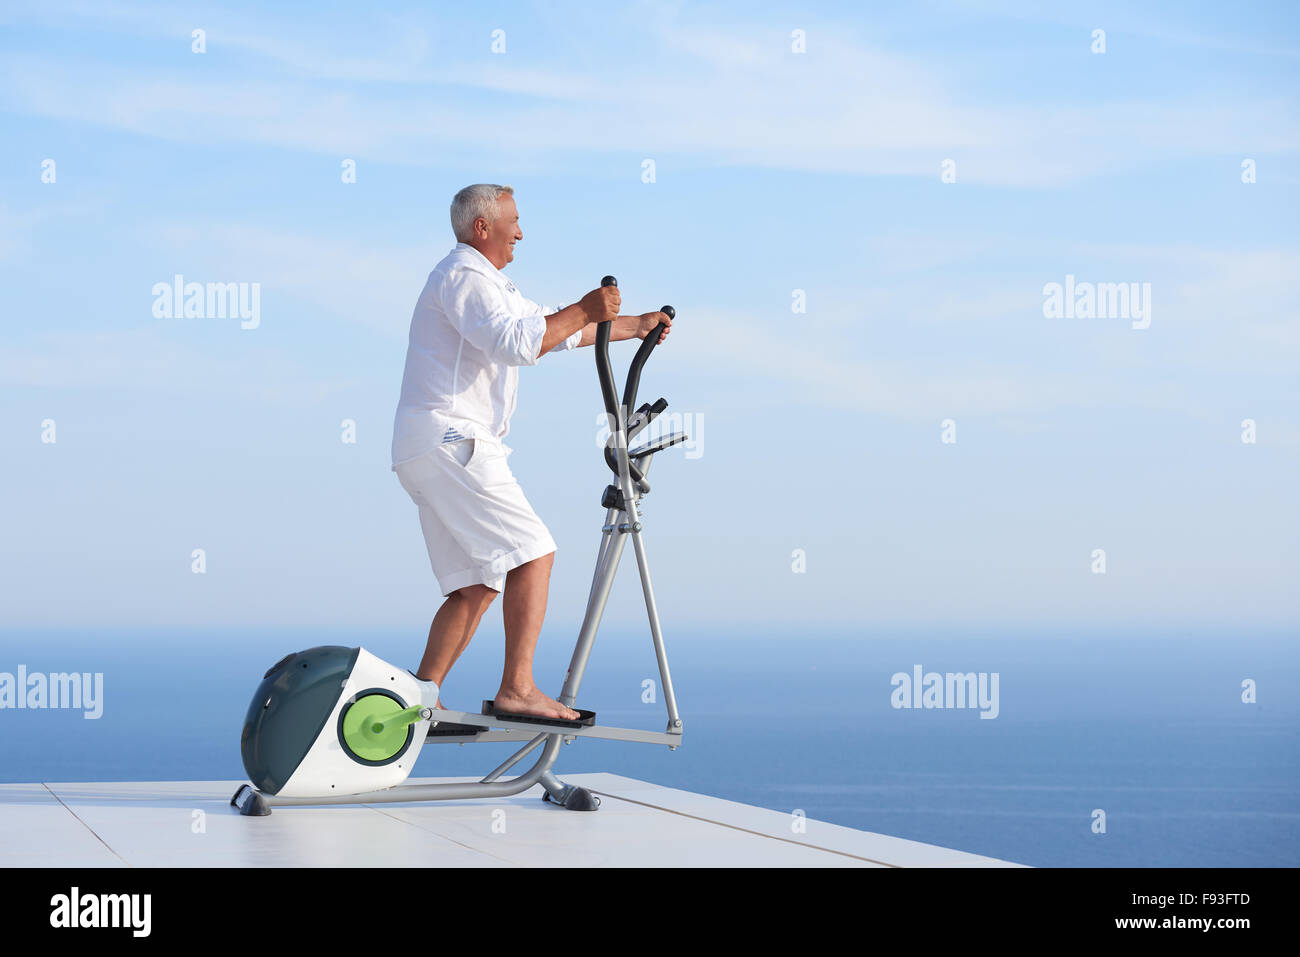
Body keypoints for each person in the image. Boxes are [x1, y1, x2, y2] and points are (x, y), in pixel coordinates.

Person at [391, 184, 671, 721]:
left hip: (428, 446)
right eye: (514, 221)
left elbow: (552, 332)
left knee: (476, 584)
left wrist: (634, 326)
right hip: (454, 438)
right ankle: (517, 690)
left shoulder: (490, 285)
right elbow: (516, 344)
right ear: (482, 228)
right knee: (533, 552)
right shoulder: (464, 276)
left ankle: (418, 698)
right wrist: (585, 306)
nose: (521, 231)